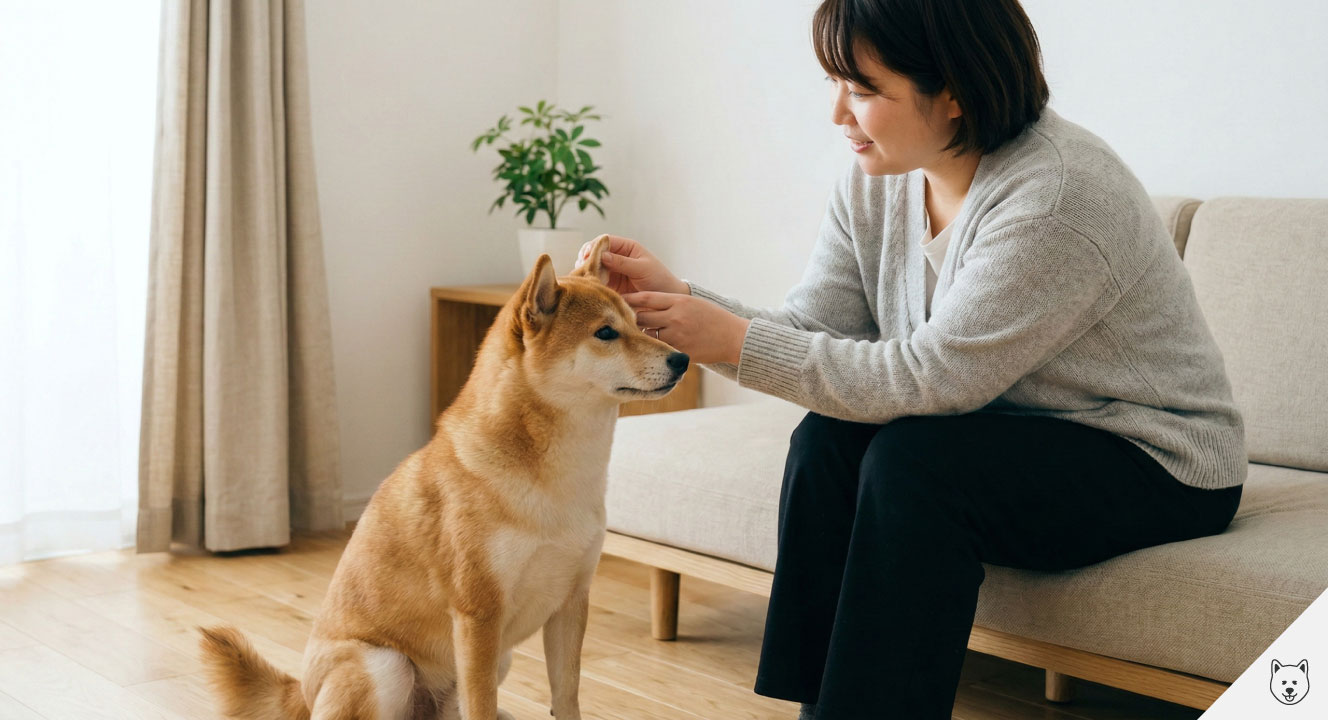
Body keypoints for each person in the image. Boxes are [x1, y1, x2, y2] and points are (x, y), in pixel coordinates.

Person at [575, 0, 1245, 717]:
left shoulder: (1058, 196)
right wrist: (676, 303)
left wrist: (728, 339)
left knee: (914, 467)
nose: (838, 114)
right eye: (835, 83)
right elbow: (811, 330)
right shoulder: (878, 178)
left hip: (1152, 457)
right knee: (828, 440)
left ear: (953, 90)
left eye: (863, 89)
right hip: (1008, 430)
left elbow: (933, 378)